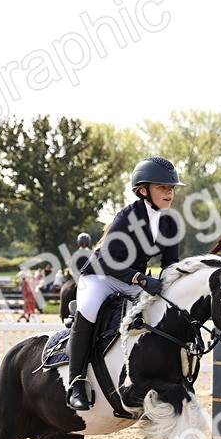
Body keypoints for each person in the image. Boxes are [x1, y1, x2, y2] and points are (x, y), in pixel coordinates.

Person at [66, 156, 183, 411]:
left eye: (171, 188)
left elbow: (171, 263)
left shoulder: (169, 222)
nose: (169, 192)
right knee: (89, 310)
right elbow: (107, 257)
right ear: (143, 191)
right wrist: (140, 278)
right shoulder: (127, 217)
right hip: (100, 276)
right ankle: (75, 382)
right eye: (163, 187)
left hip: (130, 279)